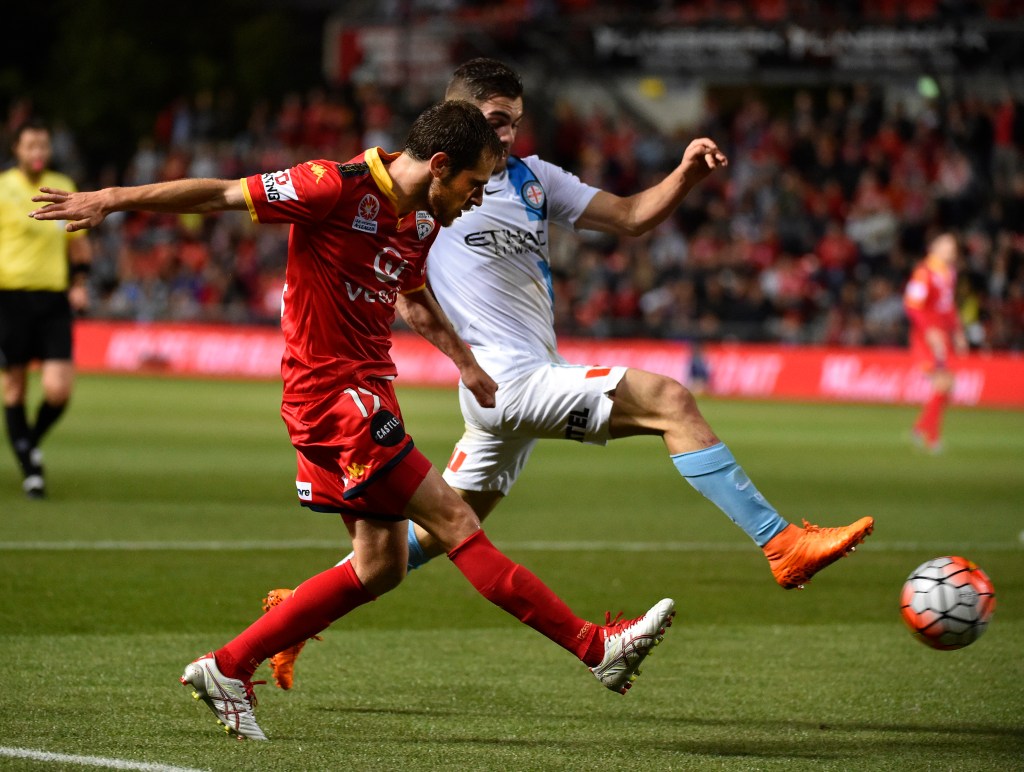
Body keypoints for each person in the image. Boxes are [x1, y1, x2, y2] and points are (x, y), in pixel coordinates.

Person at [30, 100, 675, 742]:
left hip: (368, 393)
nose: (478, 200)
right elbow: (223, 194)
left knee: (380, 564)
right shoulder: (330, 186)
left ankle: (227, 667)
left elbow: (413, 296)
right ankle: (596, 648)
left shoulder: (421, 220)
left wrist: (467, 364)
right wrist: (112, 198)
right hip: (333, 399)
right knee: (455, 521)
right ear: (441, 166)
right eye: (475, 185)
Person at [264, 59, 874, 692]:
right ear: (460, 124)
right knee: (669, 399)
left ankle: (295, 616)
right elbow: (393, 275)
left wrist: (685, 174)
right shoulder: (427, 192)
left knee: (437, 532)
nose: (506, 137)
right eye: (496, 123)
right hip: (507, 383)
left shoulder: (535, 179)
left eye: (514, 124)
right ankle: (781, 545)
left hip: (515, 388)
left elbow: (633, 216)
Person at [0, 118, 92, 498]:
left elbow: (78, 244)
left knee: (58, 390)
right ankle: (31, 468)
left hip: (53, 300)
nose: (38, 152)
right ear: (16, 150)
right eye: (31, 145)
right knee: (14, 387)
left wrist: (80, 283)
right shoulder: (3, 188)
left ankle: (28, 445)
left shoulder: (64, 187)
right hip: (10, 299)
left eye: (43, 146)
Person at [903, 232, 967, 453]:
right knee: (943, 383)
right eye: (946, 245)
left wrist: (957, 332)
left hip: (942, 335)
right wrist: (928, 330)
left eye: (952, 246)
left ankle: (921, 428)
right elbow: (912, 305)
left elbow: (948, 307)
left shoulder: (949, 273)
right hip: (926, 336)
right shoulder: (923, 273)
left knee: (947, 386)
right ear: (934, 248)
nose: (950, 249)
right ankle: (932, 438)